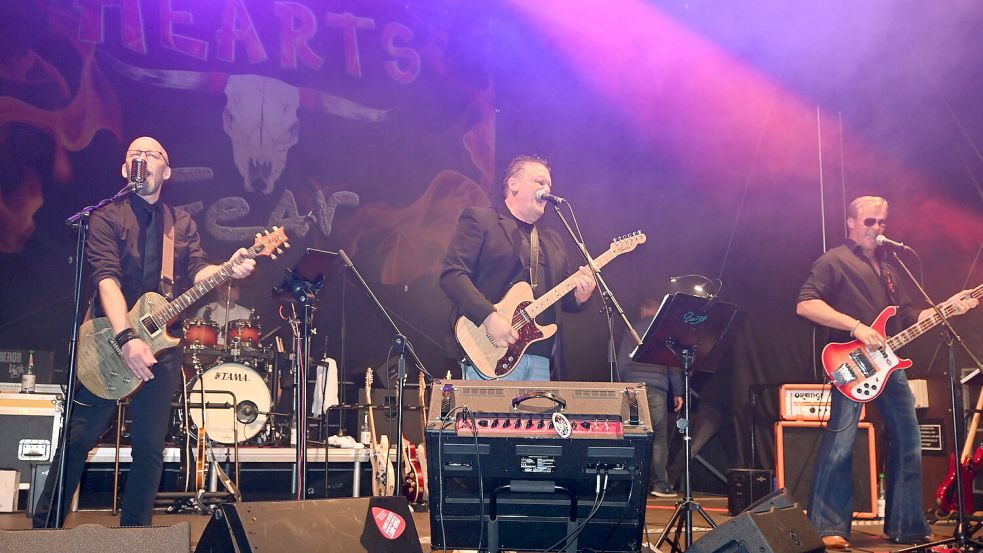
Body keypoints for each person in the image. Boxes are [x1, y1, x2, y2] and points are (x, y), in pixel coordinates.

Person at [33, 137, 256, 528]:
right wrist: (126, 339)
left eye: (152, 154)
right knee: (78, 438)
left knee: (150, 448)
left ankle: (135, 537)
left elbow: (199, 270)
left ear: (166, 171)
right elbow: (107, 280)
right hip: (107, 338)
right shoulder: (105, 216)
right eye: (134, 154)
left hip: (160, 347)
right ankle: (42, 532)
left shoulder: (180, 223)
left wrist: (228, 268)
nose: (142, 158)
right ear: (125, 170)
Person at [796, 195, 977, 549]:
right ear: (851, 223)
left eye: (881, 222)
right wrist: (857, 327)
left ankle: (907, 526)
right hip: (849, 363)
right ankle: (827, 525)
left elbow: (909, 317)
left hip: (889, 363)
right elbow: (806, 304)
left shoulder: (891, 269)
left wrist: (948, 308)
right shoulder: (834, 261)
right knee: (841, 442)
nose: (877, 228)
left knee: (909, 439)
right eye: (869, 221)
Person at [440, 155, 596, 381]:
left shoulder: (553, 240)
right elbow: (452, 275)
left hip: (541, 358)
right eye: (540, 182)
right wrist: (489, 317)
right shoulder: (482, 220)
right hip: (491, 352)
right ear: (513, 184)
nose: (547, 189)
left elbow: (563, 302)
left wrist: (581, 296)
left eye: (549, 185)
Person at [617, 297, 684, 497]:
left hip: (633, 390)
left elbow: (622, 361)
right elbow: (672, 364)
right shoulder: (664, 332)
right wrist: (678, 392)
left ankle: (632, 484)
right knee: (658, 438)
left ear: (643, 311)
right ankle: (660, 485)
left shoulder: (632, 330)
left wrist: (621, 386)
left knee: (633, 434)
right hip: (657, 390)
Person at [195, 281, 251, 345]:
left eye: (238, 286)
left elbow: (248, 345)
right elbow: (200, 342)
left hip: (237, 350)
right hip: (212, 350)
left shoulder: (247, 313)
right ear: (219, 288)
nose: (237, 288)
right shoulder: (205, 311)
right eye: (233, 286)